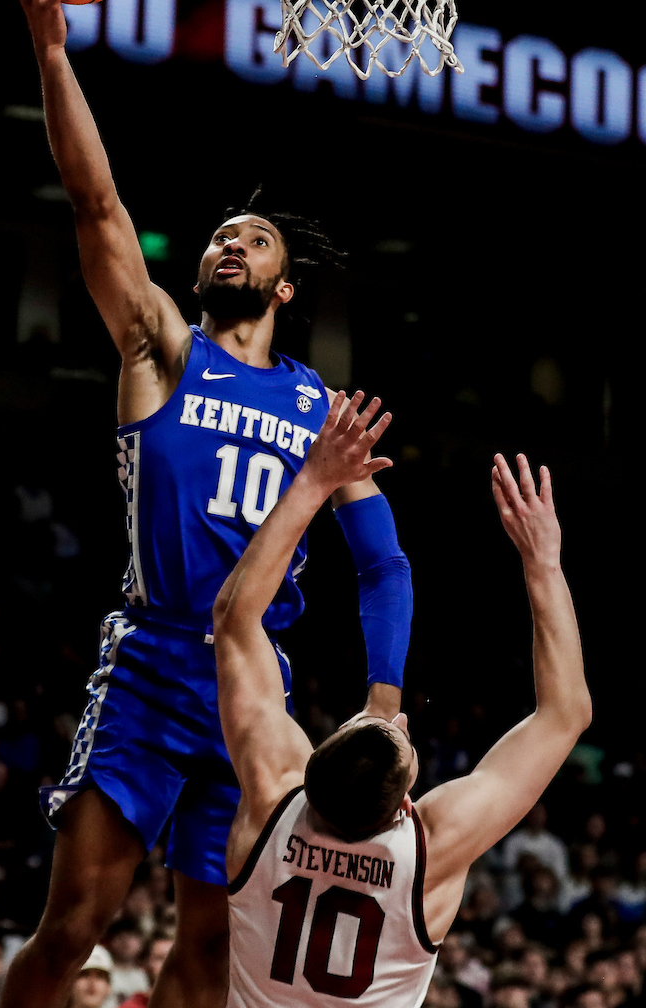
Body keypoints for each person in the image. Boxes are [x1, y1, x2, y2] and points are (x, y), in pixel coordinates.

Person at [1, 0, 414, 1008]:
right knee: (72, 928)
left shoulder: (320, 409)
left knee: (210, 954)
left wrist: (383, 699)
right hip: (150, 661)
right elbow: (96, 208)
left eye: (255, 241)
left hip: (254, 687)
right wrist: (51, 47)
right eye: (221, 237)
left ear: (285, 288)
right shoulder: (162, 349)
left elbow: (382, 564)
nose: (233, 245)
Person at [212, 391, 592, 1006]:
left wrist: (313, 480)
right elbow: (565, 713)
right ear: (405, 805)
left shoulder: (271, 799)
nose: (401, 720)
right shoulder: (428, 850)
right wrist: (543, 565)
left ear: (315, 760)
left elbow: (234, 618)